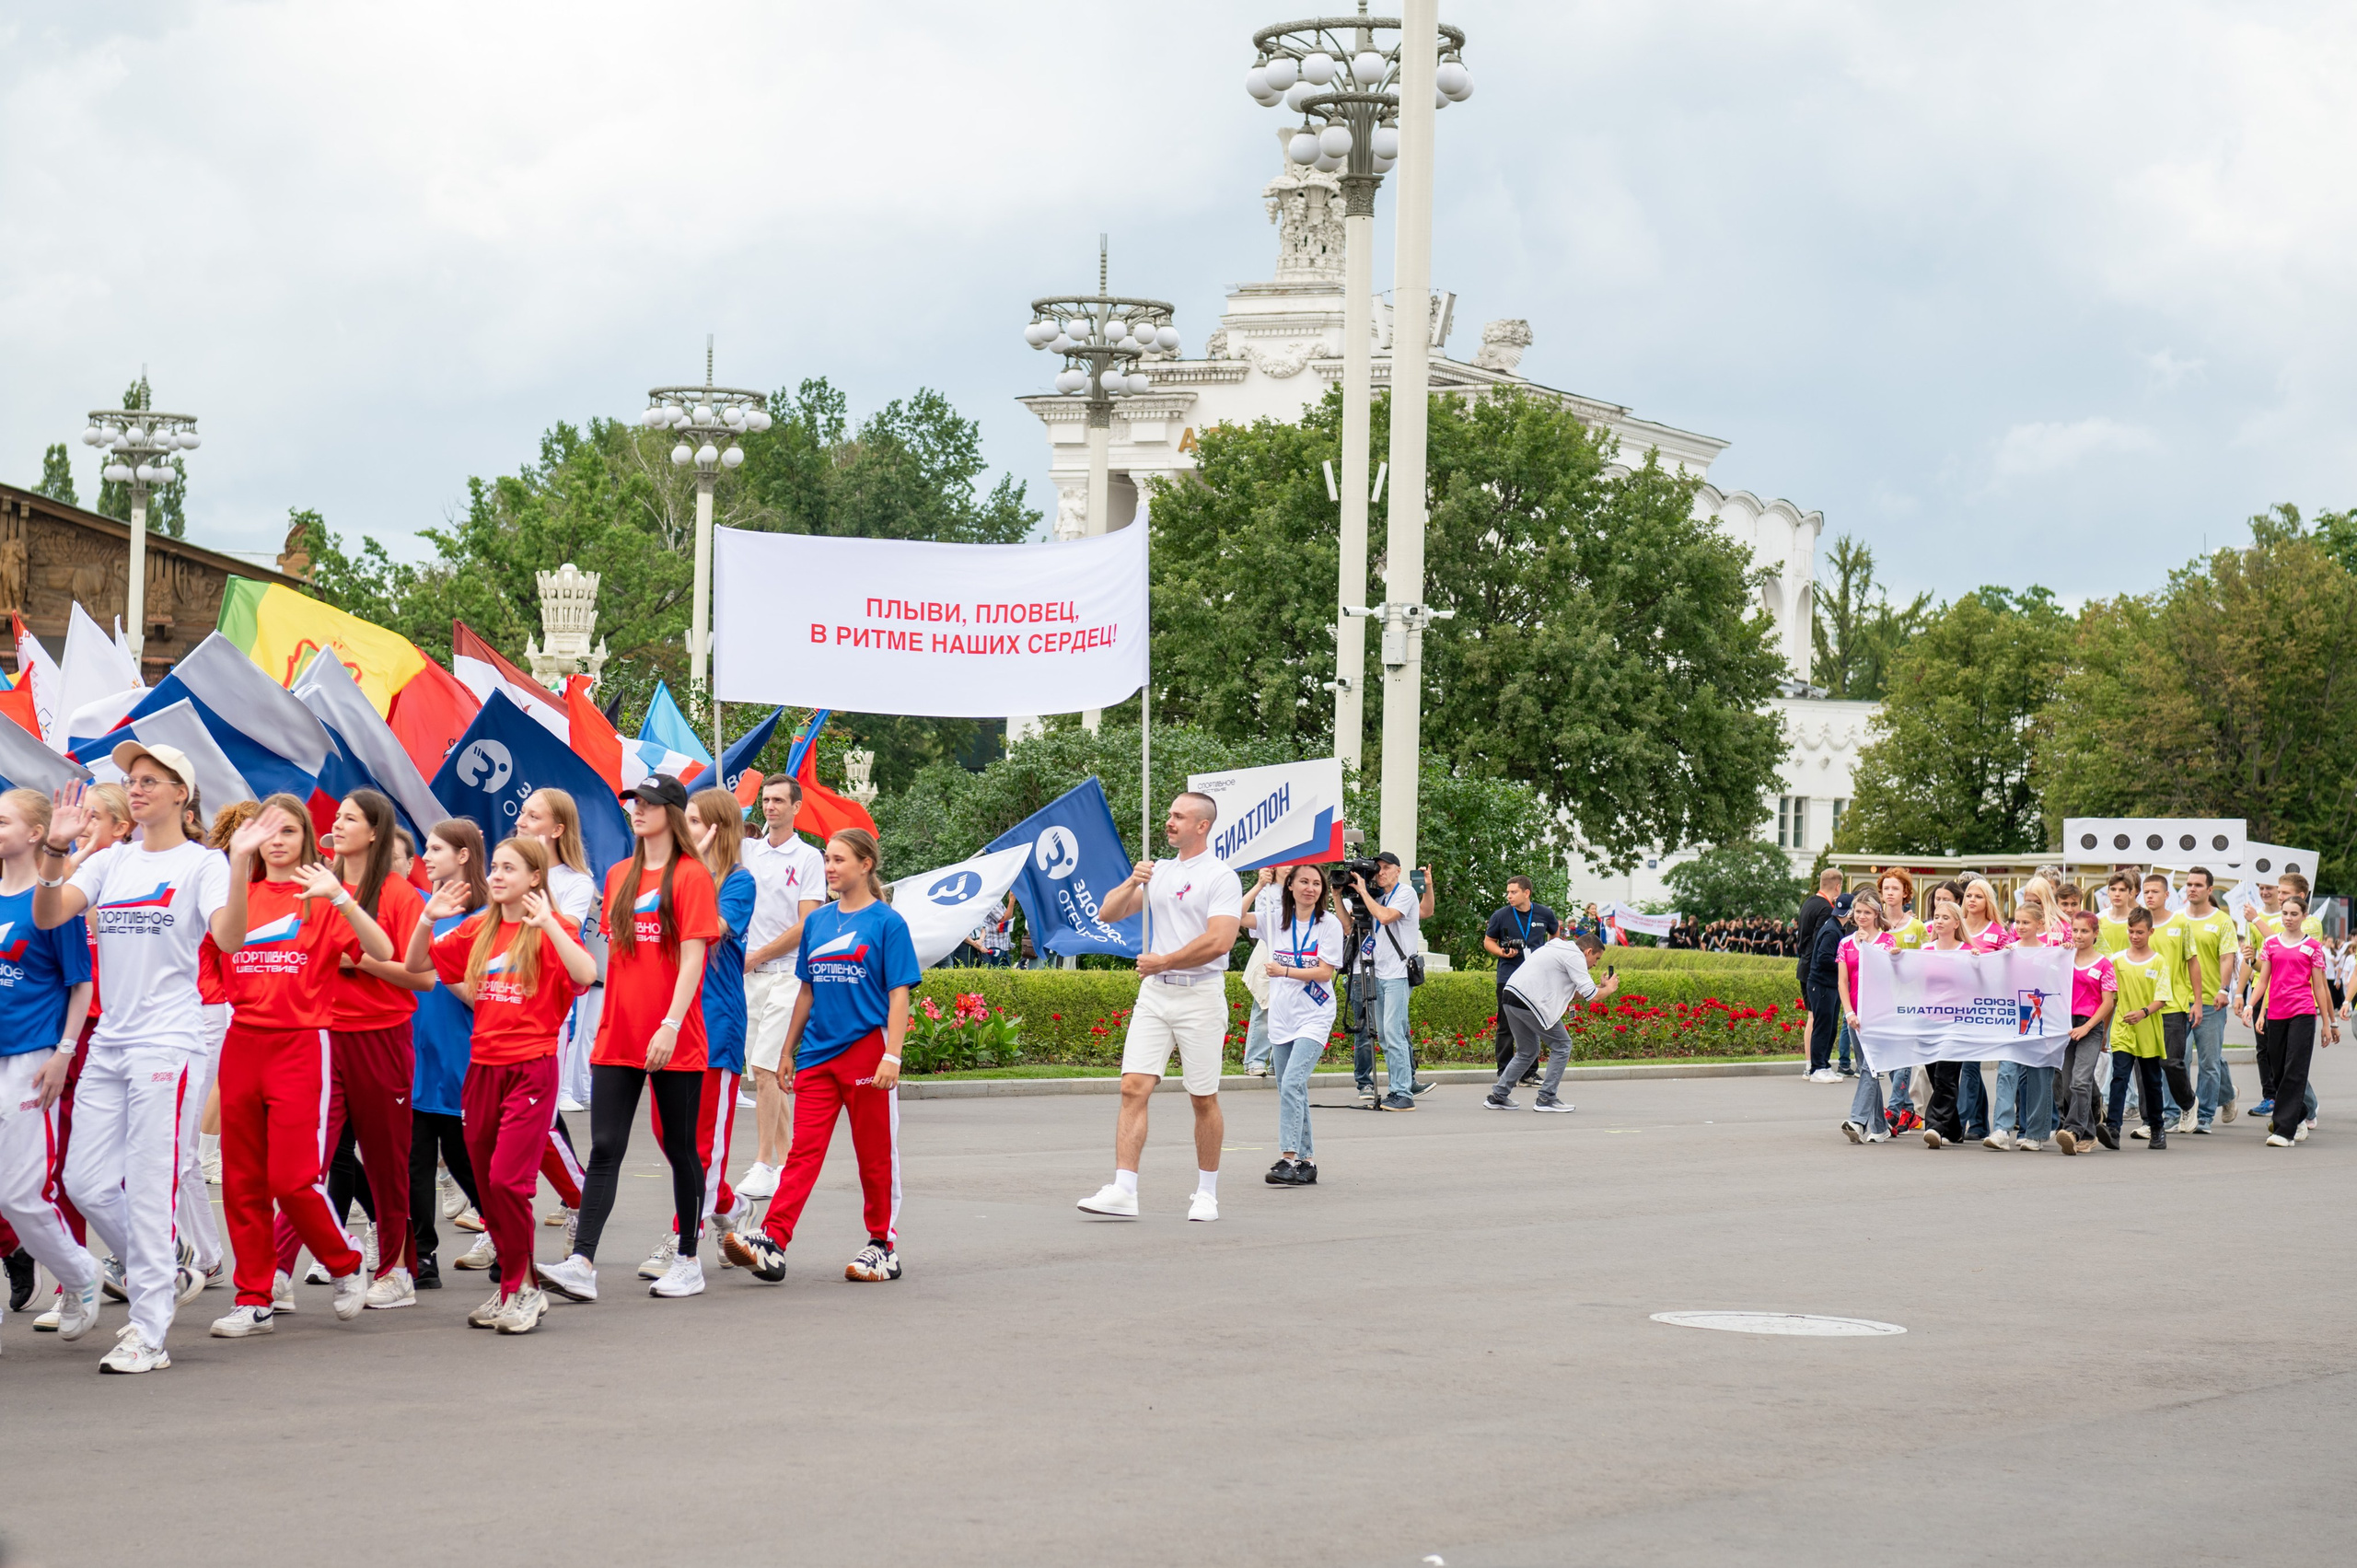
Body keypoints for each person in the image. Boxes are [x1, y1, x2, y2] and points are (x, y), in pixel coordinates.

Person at [35, 749, 260, 1373]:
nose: (135, 790)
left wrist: (240, 864)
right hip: (109, 1040)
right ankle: (168, 1258)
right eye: (131, 781)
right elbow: (50, 912)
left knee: (149, 1181)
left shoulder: (203, 863)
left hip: (170, 1039)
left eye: (149, 781)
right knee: (83, 1180)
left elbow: (230, 938)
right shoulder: (112, 859)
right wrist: (55, 852)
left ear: (181, 794)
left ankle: (148, 1330)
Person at [205, 796, 399, 1339]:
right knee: (243, 1182)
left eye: (290, 830)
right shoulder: (235, 895)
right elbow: (225, 943)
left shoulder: (322, 897)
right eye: (267, 831)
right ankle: (254, 1298)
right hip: (243, 1043)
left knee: (293, 1180)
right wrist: (238, 864)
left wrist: (342, 899)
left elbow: (383, 949)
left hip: (300, 1046)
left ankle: (344, 1261)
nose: (278, 840)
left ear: (308, 839)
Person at [538, 775, 716, 1304]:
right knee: (605, 1148)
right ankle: (581, 1263)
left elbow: (692, 959)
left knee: (681, 1149)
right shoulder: (618, 875)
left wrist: (670, 1024)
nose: (637, 810)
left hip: (674, 1036)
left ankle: (688, 1259)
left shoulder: (691, 877)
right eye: (634, 803)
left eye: (649, 803)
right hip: (620, 1034)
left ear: (674, 813)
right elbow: (618, 959)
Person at [411, 834, 595, 1332]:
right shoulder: (476, 928)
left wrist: (551, 926)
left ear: (535, 878)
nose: (496, 876)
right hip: (482, 1071)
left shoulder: (550, 930)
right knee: (487, 1184)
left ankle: (526, 1287)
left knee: (506, 1181)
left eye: (509, 868)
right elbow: (414, 967)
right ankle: (513, 1284)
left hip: (530, 1069)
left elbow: (586, 972)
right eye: (494, 867)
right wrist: (429, 917)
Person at [725, 828, 917, 1283]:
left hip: (867, 1054)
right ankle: (772, 1241)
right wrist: (788, 1050)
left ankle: (881, 1245)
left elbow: (899, 994)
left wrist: (892, 1055)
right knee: (802, 1154)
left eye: (839, 860)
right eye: (827, 859)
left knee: (874, 1156)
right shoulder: (818, 922)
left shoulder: (887, 923)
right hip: (816, 1055)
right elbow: (806, 992)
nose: (829, 867)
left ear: (866, 865)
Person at [266, 790, 429, 1309]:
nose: (337, 823)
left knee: (385, 1160)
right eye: (336, 816)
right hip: (318, 1036)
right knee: (306, 1162)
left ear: (375, 832)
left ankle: (397, 1270)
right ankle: (276, 1269)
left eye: (350, 817)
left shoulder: (401, 895)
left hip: (381, 1035)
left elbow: (421, 978)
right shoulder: (311, 885)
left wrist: (358, 962)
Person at [1074, 793, 1243, 1221]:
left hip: (1200, 994)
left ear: (1202, 826)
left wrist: (1164, 960)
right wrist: (1134, 880)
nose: (1168, 822)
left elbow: (1220, 941)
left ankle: (1207, 1192)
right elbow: (1107, 914)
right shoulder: (1160, 871)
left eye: (1178, 816)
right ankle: (1124, 1189)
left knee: (1202, 1097)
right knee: (1133, 1086)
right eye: (1169, 814)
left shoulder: (1221, 877)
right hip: (1155, 994)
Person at [635, 787, 755, 1282]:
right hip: (675, 1023)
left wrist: (696, 867)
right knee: (669, 1135)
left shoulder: (738, 882)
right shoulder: (675, 878)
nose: (686, 828)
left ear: (718, 830)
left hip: (717, 1023)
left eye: (696, 821)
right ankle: (729, 1205)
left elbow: (708, 930)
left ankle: (686, 1235)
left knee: (703, 1142)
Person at [0, 787, 104, 1349]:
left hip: (32, 1057)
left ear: (36, 833)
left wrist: (64, 1053)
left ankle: (79, 1272)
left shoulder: (53, 900)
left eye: (3, 821)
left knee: (19, 1195)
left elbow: (80, 982)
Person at [407, 819, 490, 1291]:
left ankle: (503, 1234)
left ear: (463, 855)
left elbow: (484, 994)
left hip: (461, 1057)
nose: (426, 855)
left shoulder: (483, 916)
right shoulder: (421, 909)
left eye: (436, 848)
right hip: (416, 1054)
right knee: (414, 1164)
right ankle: (421, 1257)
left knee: (467, 1161)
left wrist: (440, 964)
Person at [735, 773, 824, 1202]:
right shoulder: (746, 850)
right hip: (748, 973)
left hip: (788, 973)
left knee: (768, 1067)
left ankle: (763, 1163)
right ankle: (792, 1162)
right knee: (760, 1069)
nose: (770, 807)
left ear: (796, 807)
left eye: (778, 801)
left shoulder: (808, 858)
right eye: (765, 800)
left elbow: (807, 924)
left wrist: (759, 955)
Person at [1260, 864, 1343, 1185]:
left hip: (1315, 1016)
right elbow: (1236, 918)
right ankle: (1308, 1162)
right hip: (1283, 1019)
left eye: (1316, 883)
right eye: (1304, 882)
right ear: (1290, 885)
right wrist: (1258, 885)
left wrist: (1283, 971)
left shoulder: (1329, 924)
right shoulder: (1275, 921)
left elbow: (1324, 972)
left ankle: (1287, 1158)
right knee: (1290, 1088)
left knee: (1293, 1083)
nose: (1311, 888)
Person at [1487, 926, 1617, 1112]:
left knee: (1528, 1050)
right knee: (1562, 1045)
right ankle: (1546, 1098)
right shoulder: (1575, 957)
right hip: (1531, 1001)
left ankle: (1498, 1096)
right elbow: (1593, 997)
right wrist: (1609, 989)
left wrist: (1600, 986)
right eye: (1596, 959)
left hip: (1511, 996)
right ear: (1588, 951)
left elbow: (1577, 993)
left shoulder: (1558, 947)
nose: (1595, 964)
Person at [2246, 893, 2336, 1148]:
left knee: (2295, 1069)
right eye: (2285, 913)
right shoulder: (2271, 944)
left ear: (2304, 916)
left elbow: (2319, 986)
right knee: (2278, 1072)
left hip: (2303, 1012)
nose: (2289, 918)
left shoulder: (2313, 947)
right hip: (2276, 1012)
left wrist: (2327, 1023)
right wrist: (2252, 1007)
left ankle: (2284, 1132)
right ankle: (2300, 1114)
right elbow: (2264, 980)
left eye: (2294, 914)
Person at [1351, 852, 1435, 1111]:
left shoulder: (1405, 892)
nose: (1381, 872)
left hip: (1398, 974)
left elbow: (1386, 917)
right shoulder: (1382, 896)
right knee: (1385, 1036)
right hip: (1377, 973)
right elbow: (1426, 912)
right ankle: (1399, 1089)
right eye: (1378, 869)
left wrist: (1364, 891)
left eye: (1387, 868)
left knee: (1394, 1034)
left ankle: (1403, 1093)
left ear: (1398, 870)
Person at [1984, 900, 2058, 1151]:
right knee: (2007, 1071)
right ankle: (2002, 1130)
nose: (2020, 926)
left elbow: (2058, 983)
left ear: (2040, 924)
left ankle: (2036, 1133)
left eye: (2026, 922)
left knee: (2039, 1074)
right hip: (2012, 1020)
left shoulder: (2052, 952)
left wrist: (2066, 952)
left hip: (2042, 1020)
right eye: (2017, 921)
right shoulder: (2008, 950)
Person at [2103, 907, 2176, 1150]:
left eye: (2140, 932)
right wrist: (2104, 1032)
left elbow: (2163, 997)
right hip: (2122, 1031)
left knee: (2151, 1081)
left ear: (2151, 931)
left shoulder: (2158, 961)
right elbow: (2110, 999)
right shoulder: (2117, 960)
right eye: (2131, 931)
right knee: (2119, 1078)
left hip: (2148, 1032)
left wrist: (2144, 1012)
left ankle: (2157, 1127)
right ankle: (2112, 1128)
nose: (2135, 936)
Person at [2177, 866, 2240, 1132]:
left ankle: (2203, 1117)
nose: (2192, 889)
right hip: (2180, 1001)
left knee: (2209, 1062)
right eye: (2189, 884)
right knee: (2177, 1060)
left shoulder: (2222, 921)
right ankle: (2186, 1109)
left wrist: (2224, 989)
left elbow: (2227, 957)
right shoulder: (2177, 918)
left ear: (2209, 890)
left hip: (2211, 1001)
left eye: (2198, 885)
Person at [1837, 896, 1902, 1142]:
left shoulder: (1887, 942)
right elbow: (1843, 981)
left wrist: (1870, 948)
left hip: (1879, 1013)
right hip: (1855, 1014)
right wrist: (1849, 1011)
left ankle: (1857, 1120)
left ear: (1876, 914)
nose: (1861, 917)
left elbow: (1890, 975)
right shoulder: (1845, 943)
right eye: (1858, 912)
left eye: (1867, 912)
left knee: (1869, 1066)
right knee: (1868, 1067)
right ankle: (1880, 1126)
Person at [2053, 910, 2118, 1156]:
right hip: (2065, 1025)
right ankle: (2090, 1134)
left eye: (2084, 931)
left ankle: (2071, 1131)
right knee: (2069, 1083)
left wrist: (2089, 1027)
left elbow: (2108, 1002)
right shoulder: (2064, 958)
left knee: (2081, 1080)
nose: (2078, 936)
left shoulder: (2104, 964)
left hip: (2089, 1027)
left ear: (2095, 933)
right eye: (2075, 930)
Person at [1483, 876, 1560, 1078]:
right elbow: (1488, 941)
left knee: (1533, 1023)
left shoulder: (1545, 913)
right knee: (1506, 1026)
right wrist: (1501, 952)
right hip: (1508, 978)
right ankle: (1504, 1072)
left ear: (1526, 893)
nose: (1509, 896)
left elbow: (1555, 934)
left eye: (1513, 892)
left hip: (1536, 979)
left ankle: (1530, 1073)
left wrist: (1548, 953)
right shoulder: (1501, 915)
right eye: (1508, 892)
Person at [1918, 906, 1974, 1148]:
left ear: (1956, 924)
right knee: (1935, 1076)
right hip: (1928, 1022)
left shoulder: (1969, 952)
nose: (1939, 921)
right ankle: (1954, 1129)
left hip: (1957, 1023)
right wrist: (1896, 959)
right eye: (1937, 917)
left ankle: (1934, 1126)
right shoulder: (1924, 950)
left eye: (1945, 918)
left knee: (1946, 1075)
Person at [1238, 866, 1284, 1078]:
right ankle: (1255, 1060)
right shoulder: (1267, 890)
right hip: (1270, 950)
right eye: (1285, 862)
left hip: (1294, 956)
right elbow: (1256, 921)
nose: (1290, 866)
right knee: (1265, 1007)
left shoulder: (1300, 888)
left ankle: (1278, 1061)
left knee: (1287, 1009)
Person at [1802, 891, 1849, 1082]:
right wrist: (1844, 964)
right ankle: (1817, 1068)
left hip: (1829, 984)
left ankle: (1824, 1064)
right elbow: (1823, 958)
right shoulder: (1832, 930)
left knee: (1829, 1027)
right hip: (1821, 984)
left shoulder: (1835, 927)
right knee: (1823, 1027)